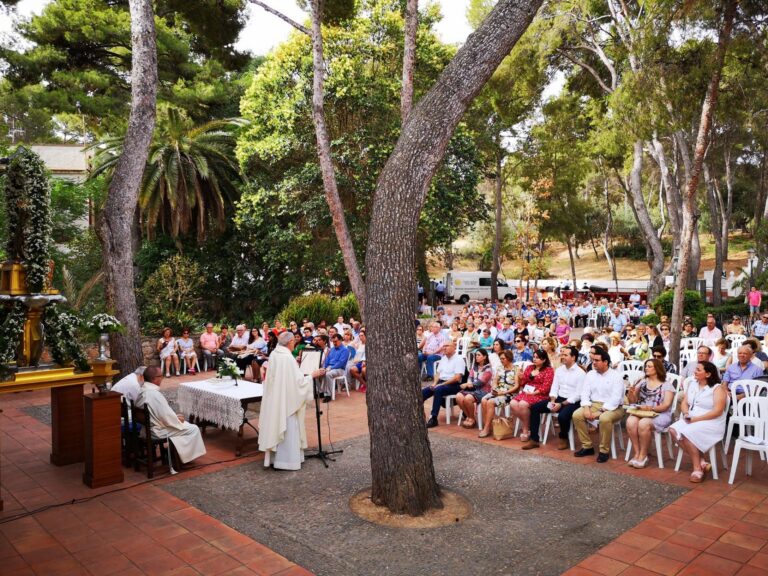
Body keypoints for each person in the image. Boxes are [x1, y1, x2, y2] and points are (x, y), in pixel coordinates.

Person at [259, 331, 315, 470]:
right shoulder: (287, 358)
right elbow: (298, 383)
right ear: (290, 342)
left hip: (276, 398)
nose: (294, 344)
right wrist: (312, 376)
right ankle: (288, 461)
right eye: (293, 342)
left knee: (276, 424)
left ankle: (274, 459)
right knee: (289, 427)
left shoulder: (275, 353)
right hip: (287, 401)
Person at [669, 361, 727, 482]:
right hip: (692, 418)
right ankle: (701, 461)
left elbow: (718, 411)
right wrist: (685, 413)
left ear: (708, 374)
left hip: (711, 421)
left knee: (687, 433)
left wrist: (696, 419)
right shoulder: (692, 384)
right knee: (673, 430)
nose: (695, 371)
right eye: (696, 369)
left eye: (699, 370)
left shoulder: (717, 388)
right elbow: (685, 402)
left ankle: (697, 469)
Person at [135, 366, 206, 465]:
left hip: (146, 429)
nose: (162, 378)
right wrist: (177, 419)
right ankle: (184, 459)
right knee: (193, 429)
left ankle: (176, 454)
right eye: (161, 376)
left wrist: (174, 418)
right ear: (155, 379)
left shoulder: (142, 390)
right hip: (156, 431)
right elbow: (166, 417)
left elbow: (161, 414)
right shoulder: (154, 394)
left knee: (183, 425)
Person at [572, 346, 626, 463]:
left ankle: (604, 451)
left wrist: (599, 412)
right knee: (577, 415)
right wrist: (586, 408)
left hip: (614, 407)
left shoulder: (616, 376)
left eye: (597, 361)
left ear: (605, 362)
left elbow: (615, 399)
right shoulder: (590, 374)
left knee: (605, 418)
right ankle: (587, 447)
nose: (594, 363)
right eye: (593, 360)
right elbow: (585, 393)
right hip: (594, 404)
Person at [527, 346, 584, 450]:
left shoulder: (580, 373)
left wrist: (561, 404)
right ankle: (534, 439)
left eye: (565, 355)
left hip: (572, 403)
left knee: (562, 416)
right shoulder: (559, 370)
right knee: (535, 408)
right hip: (557, 399)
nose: (562, 357)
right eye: (562, 354)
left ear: (573, 357)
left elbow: (578, 395)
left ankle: (563, 437)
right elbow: (554, 387)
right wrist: (553, 400)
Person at [625, 359, 675, 468]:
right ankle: (637, 453)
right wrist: (631, 393)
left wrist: (650, 408)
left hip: (660, 413)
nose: (646, 368)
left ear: (657, 369)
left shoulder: (667, 385)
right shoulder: (642, 383)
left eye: (649, 366)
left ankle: (643, 455)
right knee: (630, 421)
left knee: (643, 424)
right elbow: (633, 402)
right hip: (643, 412)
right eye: (646, 366)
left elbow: (666, 405)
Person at [510, 348, 554, 448]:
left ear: (543, 360)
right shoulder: (529, 368)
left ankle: (525, 429)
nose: (534, 359)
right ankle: (528, 425)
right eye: (534, 357)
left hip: (540, 394)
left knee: (522, 404)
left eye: (537, 358)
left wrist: (534, 393)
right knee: (513, 403)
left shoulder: (549, 370)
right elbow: (523, 383)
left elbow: (546, 387)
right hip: (527, 392)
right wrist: (522, 377)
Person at [422, 341, 466, 428]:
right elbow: (438, 374)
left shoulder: (459, 359)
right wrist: (434, 383)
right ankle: (420, 416)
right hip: (441, 383)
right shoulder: (443, 359)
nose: (444, 348)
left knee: (438, 390)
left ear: (454, 347)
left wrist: (441, 385)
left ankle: (433, 418)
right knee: (423, 392)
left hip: (454, 385)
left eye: (447, 346)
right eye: (443, 346)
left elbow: (457, 378)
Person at [478, 350, 520, 438]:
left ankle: (486, 428)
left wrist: (504, 392)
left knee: (490, 402)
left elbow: (516, 386)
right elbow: (494, 381)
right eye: (500, 358)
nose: (501, 360)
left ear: (509, 358)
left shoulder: (516, 369)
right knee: (483, 400)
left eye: (503, 358)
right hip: (498, 391)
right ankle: (489, 425)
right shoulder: (500, 368)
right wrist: (495, 389)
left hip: (509, 394)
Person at [456, 349, 494, 428]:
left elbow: (481, 382)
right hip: (473, 389)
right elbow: (470, 377)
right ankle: (470, 417)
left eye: (479, 355)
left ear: (484, 357)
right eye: (476, 355)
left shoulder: (488, 369)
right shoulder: (475, 367)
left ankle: (471, 418)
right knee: (458, 396)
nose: (476, 357)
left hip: (484, 390)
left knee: (468, 398)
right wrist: (469, 383)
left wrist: (468, 384)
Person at [313, 333, 350, 400]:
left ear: (341, 340)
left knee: (328, 374)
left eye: (336, 341)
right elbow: (327, 360)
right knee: (317, 373)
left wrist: (330, 368)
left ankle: (328, 395)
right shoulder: (332, 349)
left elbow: (341, 363)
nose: (334, 343)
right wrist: (324, 367)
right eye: (333, 342)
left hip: (339, 369)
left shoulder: (345, 350)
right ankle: (321, 391)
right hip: (329, 368)